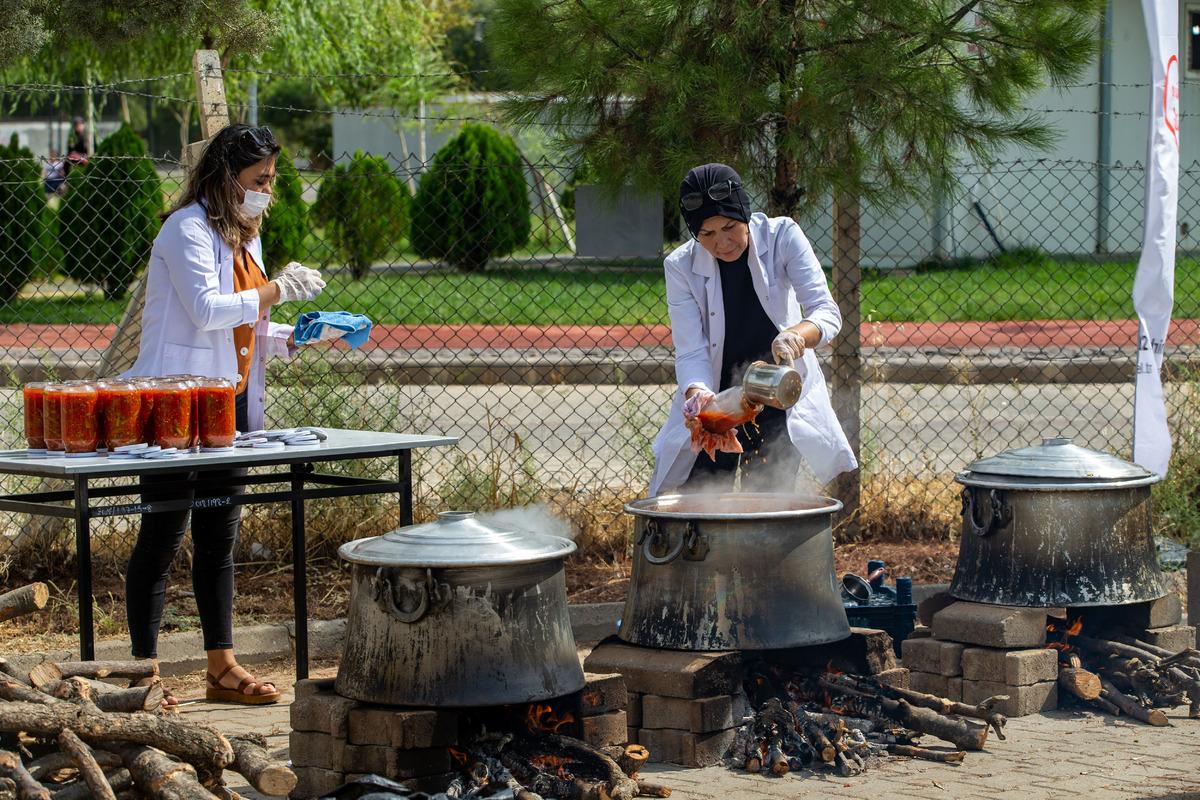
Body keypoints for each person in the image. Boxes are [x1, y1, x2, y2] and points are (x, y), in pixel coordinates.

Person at [123, 124, 326, 706]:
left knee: (220, 535)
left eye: (271, 180)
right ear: (225, 176)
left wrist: (293, 334)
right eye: (259, 180)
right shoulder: (184, 228)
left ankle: (221, 668)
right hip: (177, 400)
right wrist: (278, 291)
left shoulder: (245, 235)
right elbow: (209, 310)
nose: (268, 190)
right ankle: (143, 678)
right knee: (162, 534)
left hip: (228, 401)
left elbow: (245, 324)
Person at [648, 163, 857, 496]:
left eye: (730, 226)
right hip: (718, 398)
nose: (722, 242)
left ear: (744, 211)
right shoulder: (680, 266)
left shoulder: (781, 236)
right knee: (700, 502)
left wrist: (797, 335)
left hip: (777, 393)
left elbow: (826, 311)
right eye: (707, 234)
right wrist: (697, 398)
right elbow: (691, 350)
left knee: (767, 501)